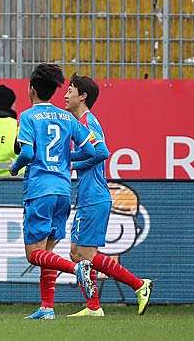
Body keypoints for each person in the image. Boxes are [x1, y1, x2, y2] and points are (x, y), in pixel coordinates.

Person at [9, 63, 97, 320]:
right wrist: (66, 159)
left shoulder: (27, 116)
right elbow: (92, 150)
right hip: (63, 189)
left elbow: (26, 152)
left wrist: (14, 168)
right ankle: (47, 308)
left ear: (32, 89)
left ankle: (75, 269)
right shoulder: (67, 117)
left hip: (40, 189)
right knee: (47, 253)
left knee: (33, 255)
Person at [63, 74, 152, 317]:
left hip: (94, 196)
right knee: (75, 252)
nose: (65, 94)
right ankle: (93, 307)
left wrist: (68, 161)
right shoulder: (80, 123)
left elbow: (102, 152)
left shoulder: (88, 123)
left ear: (83, 96)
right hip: (87, 196)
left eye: (70, 90)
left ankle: (138, 284)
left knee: (87, 254)